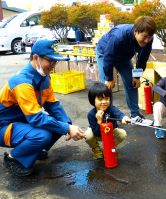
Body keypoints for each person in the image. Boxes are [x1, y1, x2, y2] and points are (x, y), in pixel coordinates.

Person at [0, 39, 85, 177]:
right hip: (3, 126)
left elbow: (53, 104)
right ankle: (14, 158)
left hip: (21, 122)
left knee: (62, 123)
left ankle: (34, 151)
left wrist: (68, 125)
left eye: (55, 61)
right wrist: (67, 128)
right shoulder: (22, 82)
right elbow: (35, 118)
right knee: (42, 135)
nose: (53, 65)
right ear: (35, 58)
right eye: (50, 61)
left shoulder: (44, 78)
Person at [95, 16, 157, 126]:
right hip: (104, 53)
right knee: (106, 87)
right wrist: (109, 78)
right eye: (145, 36)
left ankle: (135, 116)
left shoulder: (148, 40)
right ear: (136, 31)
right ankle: (108, 116)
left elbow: (142, 58)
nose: (147, 40)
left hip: (123, 57)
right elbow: (108, 58)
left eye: (150, 37)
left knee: (132, 83)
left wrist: (137, 77)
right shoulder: (118, 36)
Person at [85, 82, 131, 159]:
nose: (104, 102)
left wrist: (124, 118)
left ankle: (110, 146)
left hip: (111, 132)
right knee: (88, 135)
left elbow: (118, 114)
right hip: (97, 134)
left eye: (106, 98)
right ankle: (96, 149)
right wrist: (99, 122)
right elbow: (96, 133)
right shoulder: (91, 114)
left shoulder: (111, 109)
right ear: (93, 101)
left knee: (122, 134)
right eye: (100, 99)